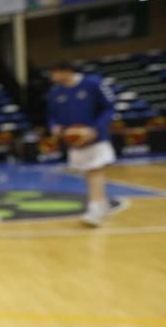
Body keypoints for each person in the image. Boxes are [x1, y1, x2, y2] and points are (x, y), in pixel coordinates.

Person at [47, 60, 116, 226]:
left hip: (96, 138)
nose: (52, 77)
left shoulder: (93, 83)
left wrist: (95, 129)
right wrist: (55, 127)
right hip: (75, 142)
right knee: (89, 173)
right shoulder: (55, 92)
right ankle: (102, 204)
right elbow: (52, 116)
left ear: (66, 71)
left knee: (95, 171)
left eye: (54, 72)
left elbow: (109, 108)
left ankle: (94, 210)